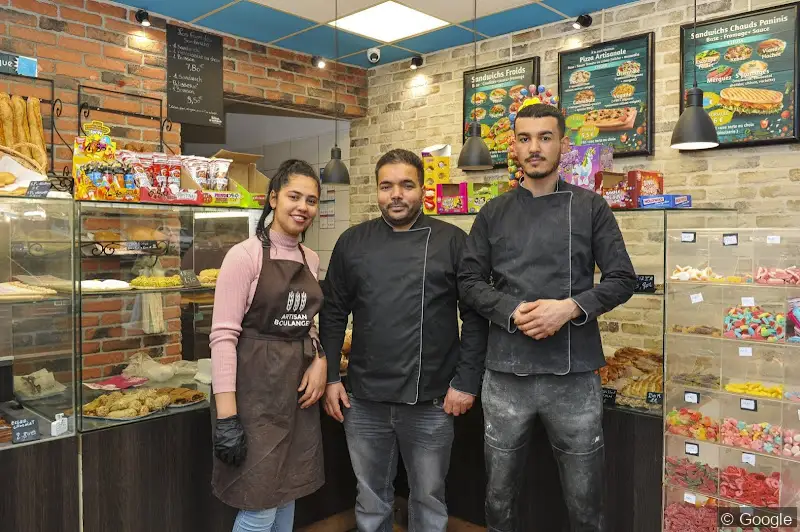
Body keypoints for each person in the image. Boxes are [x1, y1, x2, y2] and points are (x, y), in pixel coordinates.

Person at [458, 103, 637, 532]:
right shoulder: (493, 212)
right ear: (514, 148)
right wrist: (510, 310)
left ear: (562, 145)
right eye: (524, 138)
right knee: (499, 499)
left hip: (573, 377)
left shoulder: (592, 208)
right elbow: (467, 280)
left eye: (544, 137)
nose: (534, 147)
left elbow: (622, 279)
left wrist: (570, 307)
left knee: (585, 501)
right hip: (505, 376)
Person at [320, 149, 488, 532]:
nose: (396, 194)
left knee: (429, 497)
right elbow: (332, 313)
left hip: (431, 399)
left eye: (406, 185)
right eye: (386, 186)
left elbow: (474, 317)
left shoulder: (452, 241)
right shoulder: (352, 242)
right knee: (370, 496)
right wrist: (331, 376)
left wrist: (465, 381)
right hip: (363, 399)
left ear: (422, 189)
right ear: (377, 191)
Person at [209, 159, 327, 532]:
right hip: (253, 397)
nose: (302, 207)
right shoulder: (243, 257)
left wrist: (320, 360)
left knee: (287, 491)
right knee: (259, 503)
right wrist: (227, 418)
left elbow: (307, 324)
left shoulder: (311, 258)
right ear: (273, 198)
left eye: (311, 200)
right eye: (294, 196)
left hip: (294, 394)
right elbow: (223, 337)